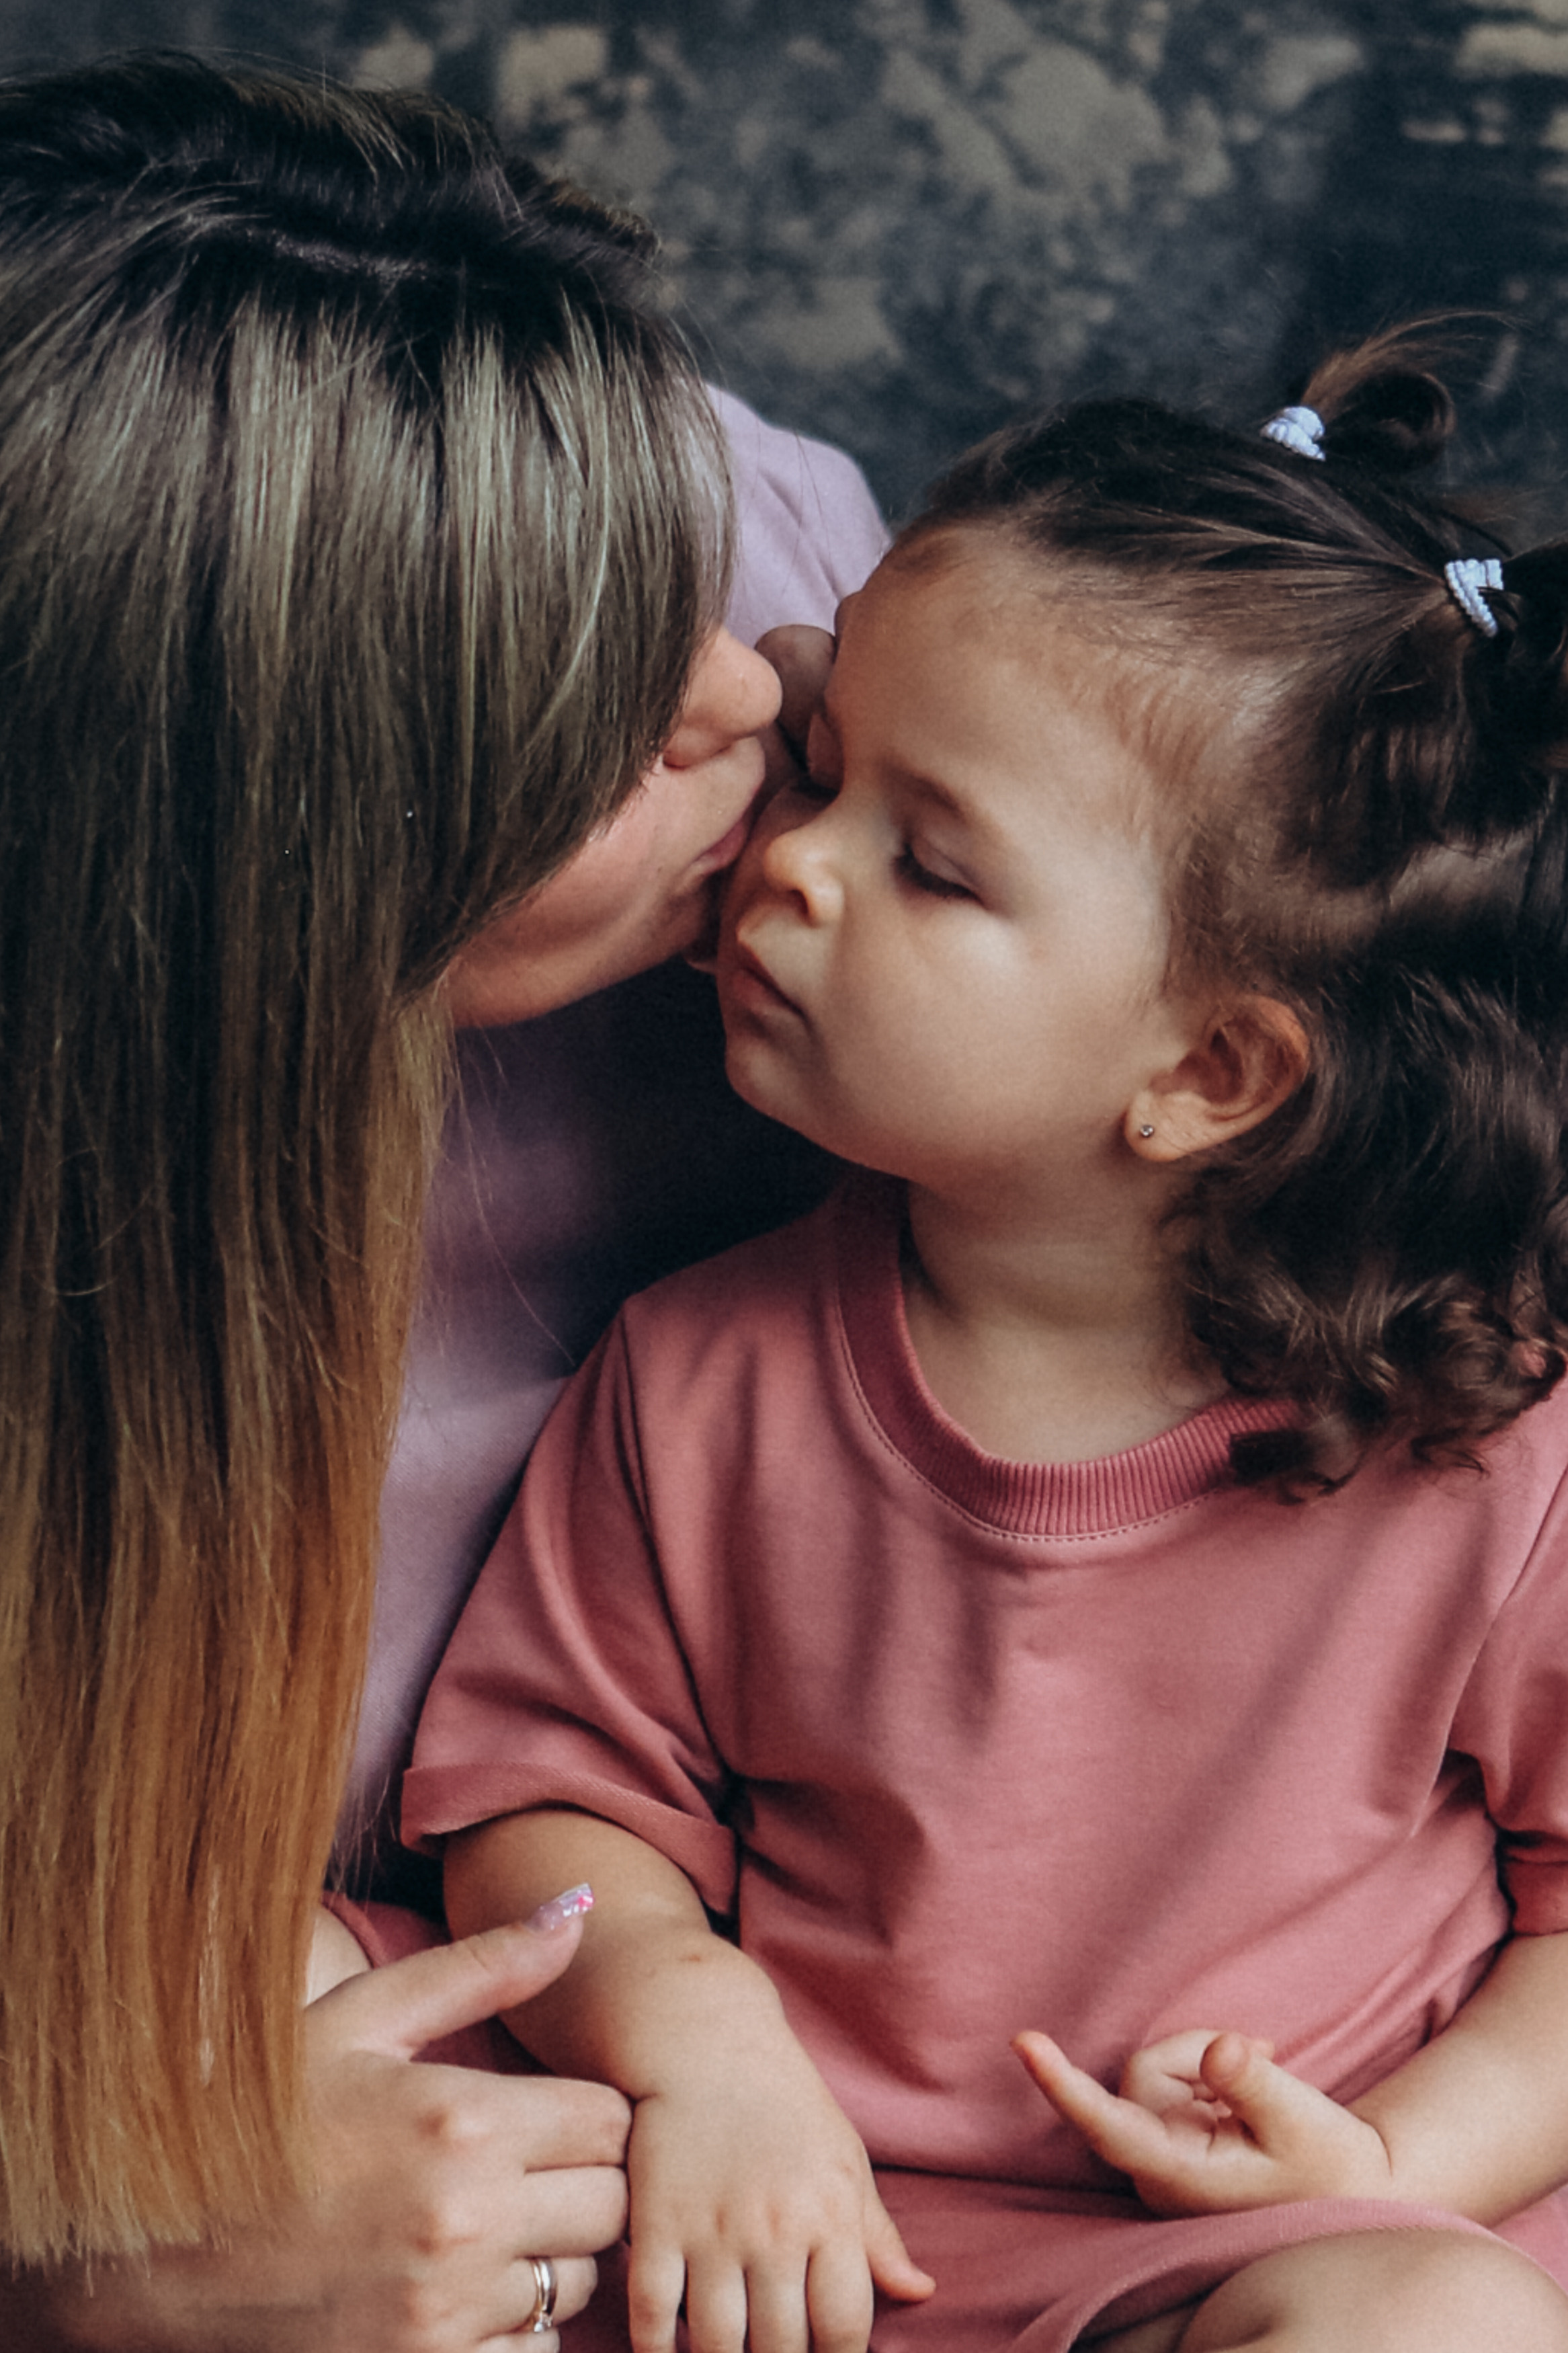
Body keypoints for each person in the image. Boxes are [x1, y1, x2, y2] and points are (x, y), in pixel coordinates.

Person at [407, 333, 1568, 2353]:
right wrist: (699, 2037)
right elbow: (544, 1788)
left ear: (1205, 1068)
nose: (784, 857)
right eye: (832, 766)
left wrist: (1395, 2159)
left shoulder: (1487, 1447)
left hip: (1230, 2249)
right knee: (278, 2044)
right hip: (774, 2211)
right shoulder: (701, 1372)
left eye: (927, 861)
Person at [0, 49, 882, 2353]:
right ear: (257, 898)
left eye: (682, 573)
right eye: (583, 711)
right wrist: (92, 2265)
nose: (751, 697)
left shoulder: (777, 585)